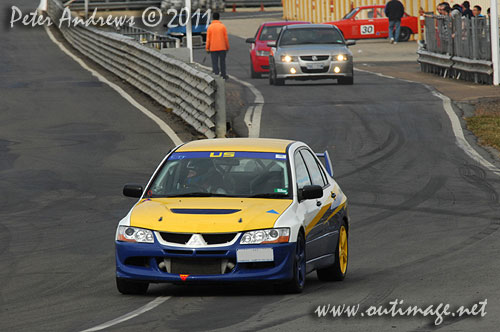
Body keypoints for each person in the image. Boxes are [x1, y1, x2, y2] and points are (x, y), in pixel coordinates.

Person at [206, 12, 229, 79]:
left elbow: (208, 39)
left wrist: (207, 48)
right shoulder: (222, 27)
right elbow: (225, 38)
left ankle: (216, 75)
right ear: (219, 18)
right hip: (222, 47)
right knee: (222, 62)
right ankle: (223, 75)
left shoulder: (210, 27)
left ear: (213, 18)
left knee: (214, 63)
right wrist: (227, 47)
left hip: (213, 48)